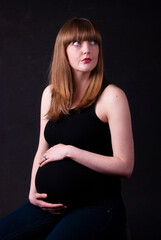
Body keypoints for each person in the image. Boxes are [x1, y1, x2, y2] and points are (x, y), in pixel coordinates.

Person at [0, 17, 134, 240]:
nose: (86, 50)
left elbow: (125, 166)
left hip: (98, 208)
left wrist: (69, 150)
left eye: (93, 42)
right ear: (63, 50)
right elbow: (42, 149)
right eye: (77, 43)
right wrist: (33, 191)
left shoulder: (112, 97)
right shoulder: (51, 94)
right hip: (53, 206)